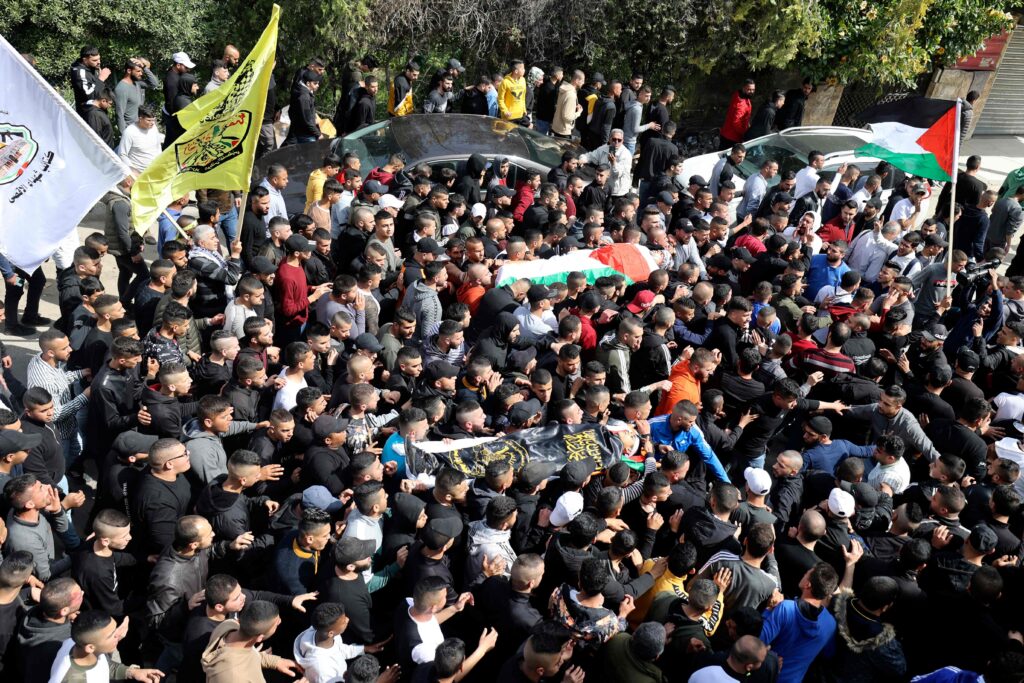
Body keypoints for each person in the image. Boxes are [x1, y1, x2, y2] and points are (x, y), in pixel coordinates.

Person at [720, 79, 755, 149]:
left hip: (728, 134)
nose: (751, 92)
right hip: (732, 138)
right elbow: (736, 123)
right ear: (743, 88)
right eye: (749, 89)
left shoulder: (740, 96)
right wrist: (745, 133)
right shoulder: (740, 104)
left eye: (753, 90)